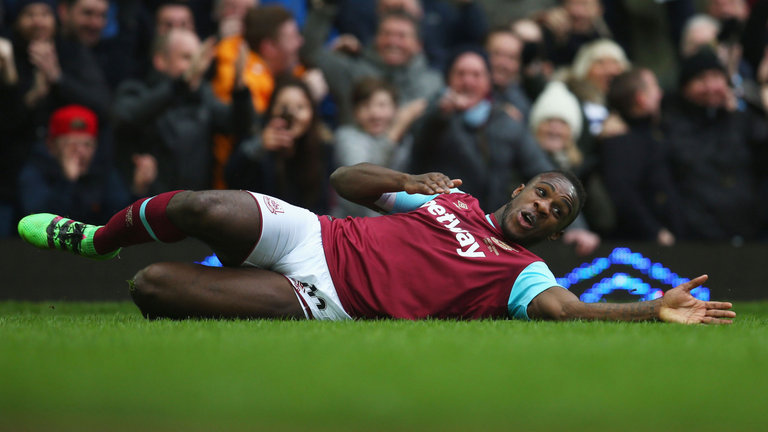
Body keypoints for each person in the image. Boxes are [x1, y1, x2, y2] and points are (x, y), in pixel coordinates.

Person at [17, 162, 735, 324]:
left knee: (152, 290)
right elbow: (344, 180)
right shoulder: (449, 198)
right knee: (201, 205)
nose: (543, 208)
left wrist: (651, 309)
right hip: (319, 232)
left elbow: (565, 311)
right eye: (542, 192)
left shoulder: (521, 269)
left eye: (557, 211)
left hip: (324, 297)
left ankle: (136, 264)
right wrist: (406, 179)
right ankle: (99, 239)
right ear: (520, 190)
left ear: (552, 231)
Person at [112, 29, 254, 197]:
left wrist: (240, 89)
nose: (198, 66)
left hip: (196, 206)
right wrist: (182, 83)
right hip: (149, 204)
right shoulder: (136, 91)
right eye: (187, 58)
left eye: (199, 58)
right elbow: (127, 117)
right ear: (160, 61)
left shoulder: (203, 97)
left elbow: (240, 126)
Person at [301, 4, 443, 125]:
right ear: (376, 38)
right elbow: (310, 53)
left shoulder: (432, 84)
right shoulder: (352, 70)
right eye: (386, 34)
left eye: (402, 36)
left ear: (418, 45)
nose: (393, 42)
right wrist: (325, 9)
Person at [225, 75, 333, 214]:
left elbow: (324, 204)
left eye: (300, 107)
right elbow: (231, 181)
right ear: (271, 110)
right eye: (283, 107)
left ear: (312, 112)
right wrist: (258, 148)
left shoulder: (322, 148)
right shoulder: (258, 141)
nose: (292, 115)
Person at [601, 68, 686, 245]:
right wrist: (656, 232)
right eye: (654, 87)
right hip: (643, 245)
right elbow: (624, 195)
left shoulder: (661, 131)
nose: (660, 93)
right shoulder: (619, 141)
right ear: (641, 98)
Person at [17, 104, 131, 224]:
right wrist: (67, 182)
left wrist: (137, 193)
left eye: (87, 144)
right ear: (51, 145)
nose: (81, 151)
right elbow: (38, 221)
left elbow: (119, 217)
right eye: (72, 144)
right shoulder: (35, 170)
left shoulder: (102, 170)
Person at [332, 76, 426, 217]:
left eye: (382, 105)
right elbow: (362, 176)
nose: (375, 114)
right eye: (366, 106)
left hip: (396, 220)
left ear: (395, 109)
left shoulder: (406, 139)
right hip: (352, 220)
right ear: (355, 112)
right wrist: (395, 131)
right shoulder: (346, 136)